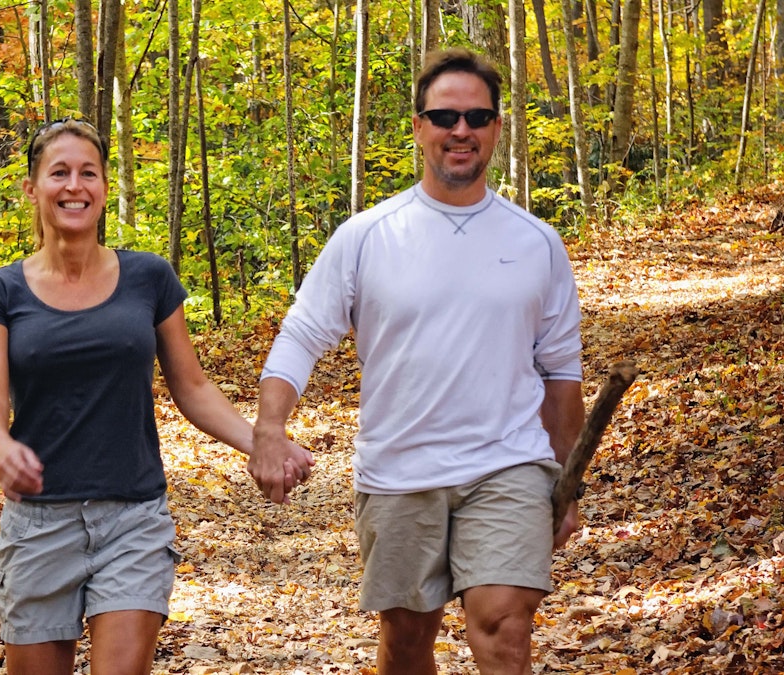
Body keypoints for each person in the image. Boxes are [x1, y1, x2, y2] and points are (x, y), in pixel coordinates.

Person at [247, 48, 585, 674]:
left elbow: (561, 373)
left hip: (508, 466)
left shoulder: (537, 242)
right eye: (446, 116)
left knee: (504, 627)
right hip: (399, 471)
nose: (462, 130)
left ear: (497, 129)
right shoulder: (368, 235)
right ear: (419, 126)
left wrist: (566, 484)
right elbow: (300, 337)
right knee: (406, 646)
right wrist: (270, 428)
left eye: (478, 117)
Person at [0, 117, 307, 675]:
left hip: (133, 520)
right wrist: (2, 446)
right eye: (59, 173)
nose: (75, 186)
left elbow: (192, 387)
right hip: (38, 525)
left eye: (89, 173)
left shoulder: (148, 277)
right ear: (32, 188)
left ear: (104, 187)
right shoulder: (0, 289)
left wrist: (262, 444)